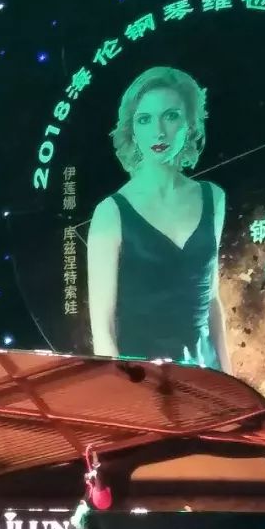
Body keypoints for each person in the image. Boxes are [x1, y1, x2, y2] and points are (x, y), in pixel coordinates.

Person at [87, 66, 232, 374]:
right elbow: (102, 329)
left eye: (171, 116)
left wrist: (231, 381)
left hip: (206, 376)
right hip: (141, 381)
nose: (159, 131)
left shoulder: (214, 198)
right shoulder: (111, 212)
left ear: (190, 123)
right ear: (132, 130)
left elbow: (211, 300)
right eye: (145, 119)